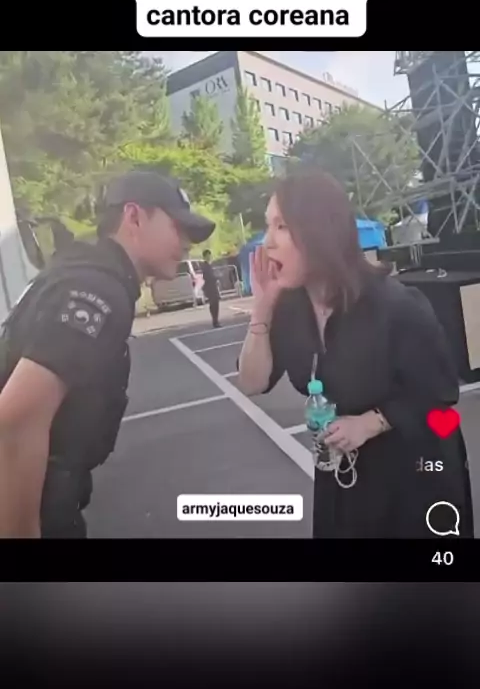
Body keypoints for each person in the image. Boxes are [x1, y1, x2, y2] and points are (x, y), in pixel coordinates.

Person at [237, 169, 474, 539]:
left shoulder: (395, 305)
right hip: (344, 473)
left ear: (319, 231)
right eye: (268, 226)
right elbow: (252, 382)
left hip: (414, 475)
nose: (267, 242)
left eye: (281, 226)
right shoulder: (289, 310)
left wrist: (369, 423)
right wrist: (262, 308)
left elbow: (439, 392)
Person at [0, 171, 215, 538]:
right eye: (177, 227)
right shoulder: (97, 289)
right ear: (134, 217)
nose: (187, 243)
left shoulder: (83, 273)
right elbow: (16, 420)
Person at [201, 249, 221, 329]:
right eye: (207, 255)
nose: (209, 257)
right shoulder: (205, 266)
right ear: (205, 256)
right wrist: (215, 278)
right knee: (213, 304)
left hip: (212, 286)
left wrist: (216, 278)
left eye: (209, 255)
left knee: (215, 303)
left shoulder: (209, 265)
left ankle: (215, 320)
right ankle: (215, 321)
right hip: (210, 287)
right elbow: (206, 277)